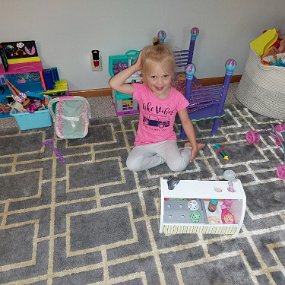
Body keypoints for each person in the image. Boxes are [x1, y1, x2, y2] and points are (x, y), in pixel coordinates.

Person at [109, 39, 205, 172]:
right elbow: (114, 84)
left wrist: (193, 146)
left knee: (177, 167)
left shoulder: (177, 97)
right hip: (144, 142)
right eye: (153, 77)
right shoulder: (142, 90)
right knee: (132, 165)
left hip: (166, 141)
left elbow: (186, 121)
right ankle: (162, 159)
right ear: (145, 76)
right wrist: (136, 66)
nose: (160, 82)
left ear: (172, 75)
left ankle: (186, 148)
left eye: (165, 76)